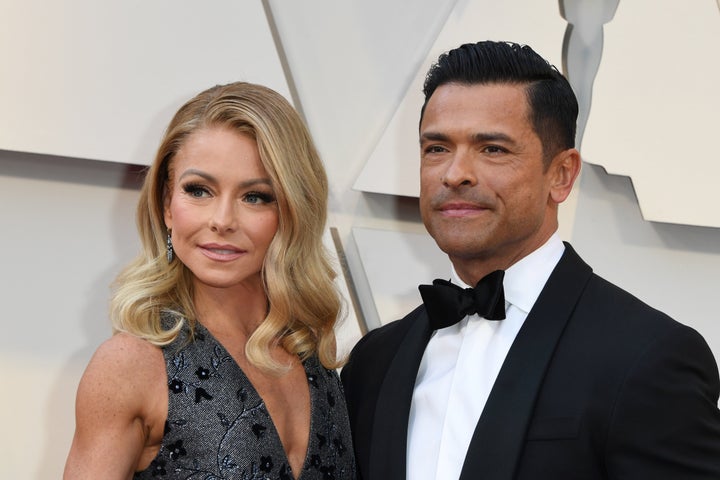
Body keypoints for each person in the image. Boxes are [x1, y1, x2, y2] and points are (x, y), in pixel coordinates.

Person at [340, 41, 720, 480]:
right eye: (437, 148)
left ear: (561, 175)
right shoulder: (374, 362)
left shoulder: (648, 357)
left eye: (493, 149)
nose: (454, 173)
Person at [64, 82, 356, 479]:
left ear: (290, 211)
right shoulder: (131, 365)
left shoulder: (310, 346)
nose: (222, 220)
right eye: (198, 190)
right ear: (167, 204)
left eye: (255, 196)